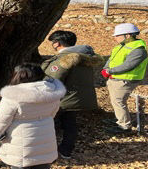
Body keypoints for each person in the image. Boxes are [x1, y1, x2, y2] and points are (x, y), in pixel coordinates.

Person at [0, 63, 66, 169]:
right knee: (42, 161)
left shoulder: (13, 96)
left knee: (20, 163)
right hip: (45, 130)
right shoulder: (52, 91)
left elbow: (2, 119)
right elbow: (53, 112)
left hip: (20, 134)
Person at [41, 30, 104, 159]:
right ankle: (66, 150)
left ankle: (47, 151)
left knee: (48, 124)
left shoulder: (64, 59)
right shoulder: (85, 57)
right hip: (78, 98)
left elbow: (51, 80)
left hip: (63, 98)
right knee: (70, 124)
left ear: (57, 43)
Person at [101, 23, 148, 135]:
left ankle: (124, 126)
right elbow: (111, 59)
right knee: (115, 100)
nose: (114, 37)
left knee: (119, 101)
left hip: (125, 80)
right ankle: (120, 119)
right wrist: (106, 68)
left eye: (117, 35)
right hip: (116, 78)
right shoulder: (120, 46)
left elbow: (129, 65)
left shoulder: (138, 49)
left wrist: (109, 71)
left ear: (127, 35)